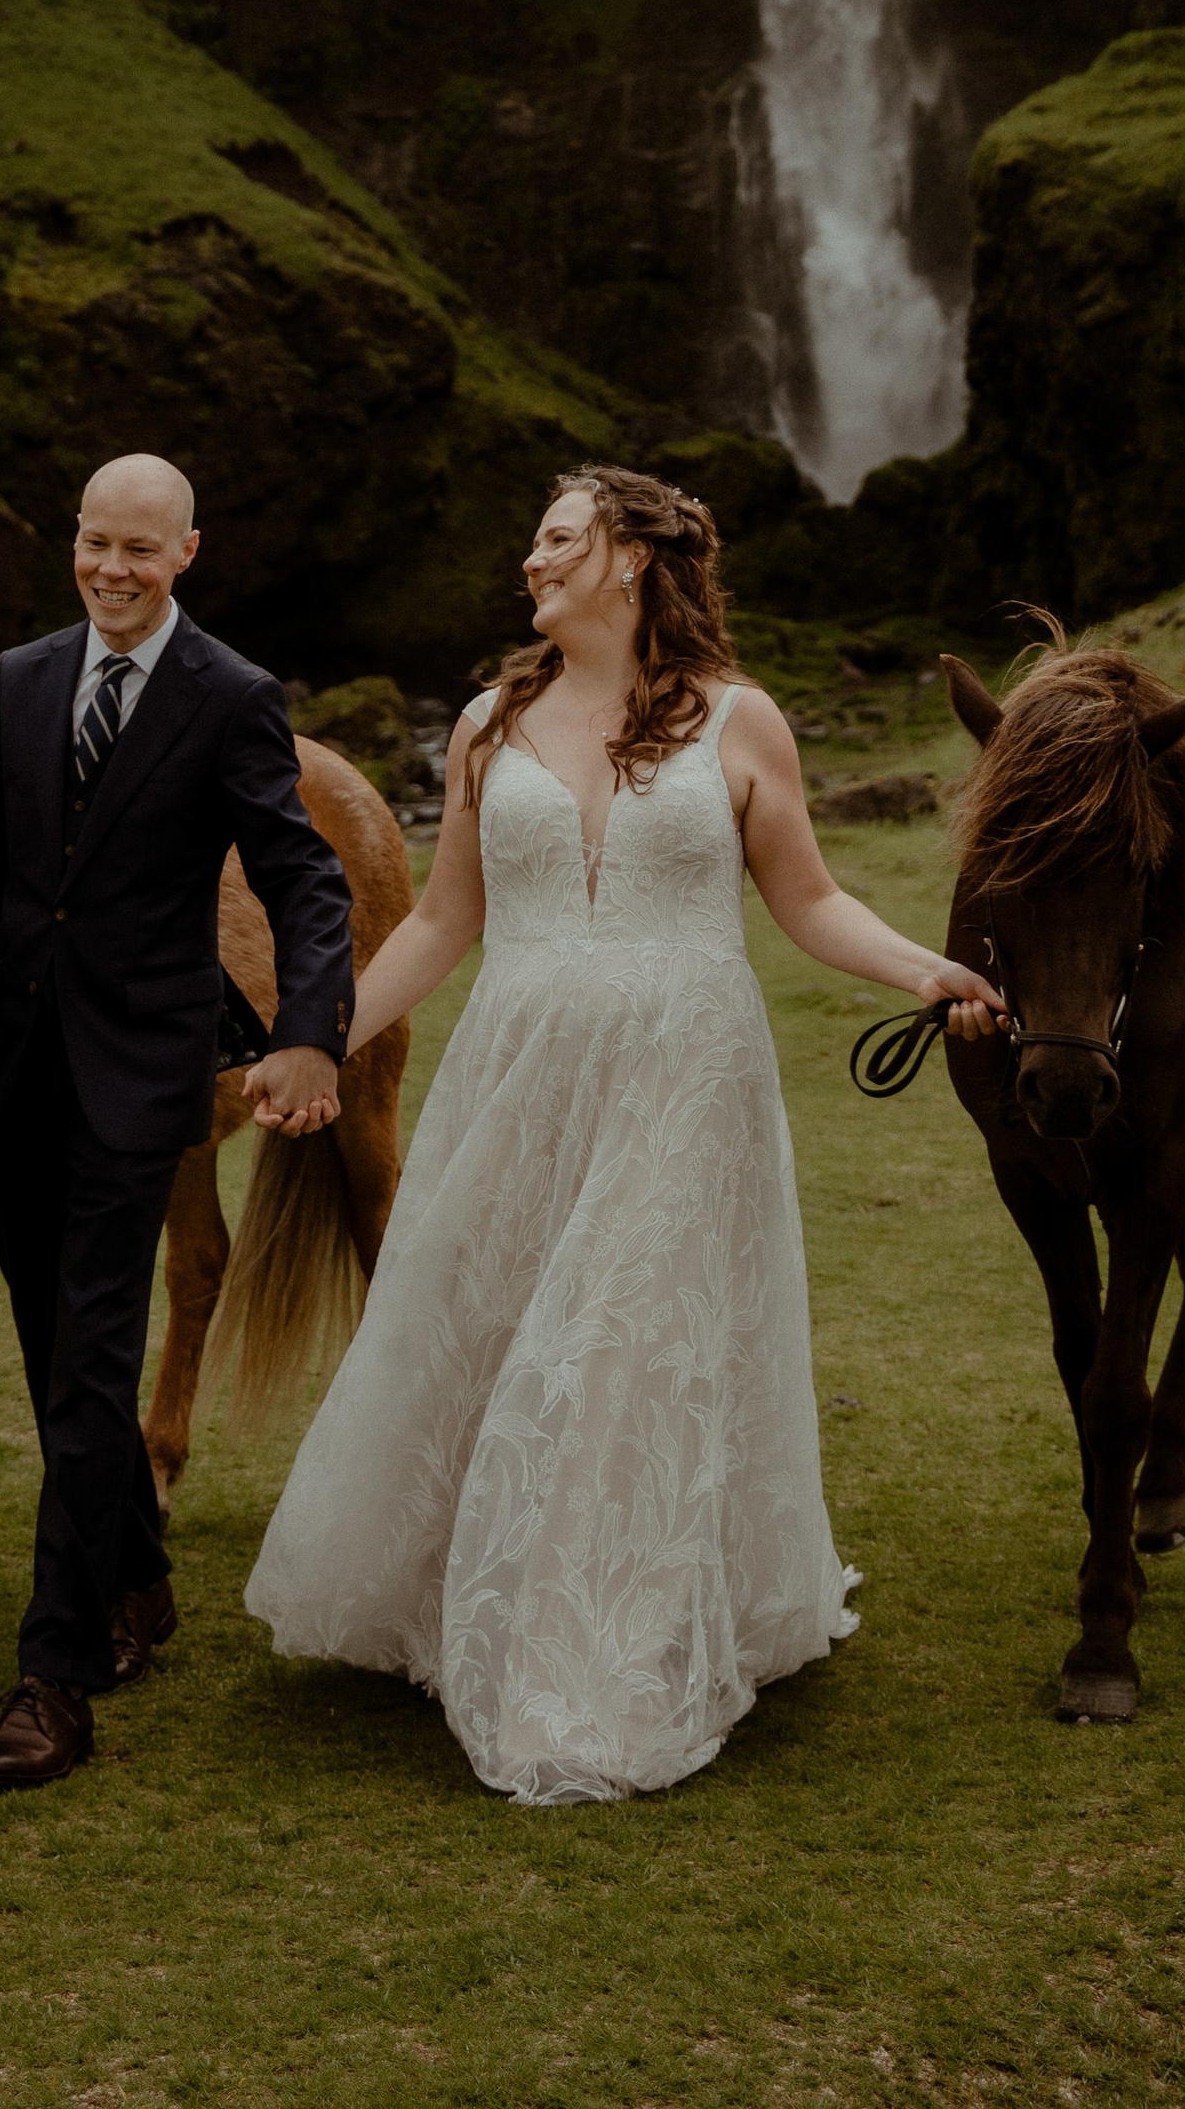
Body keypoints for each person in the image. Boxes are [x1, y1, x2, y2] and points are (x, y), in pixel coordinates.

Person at [242, 462, 1000, 1803]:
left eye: (555, 539)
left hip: (685, 1080)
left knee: (626, 1349)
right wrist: (320, 1035)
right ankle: (450, 1591)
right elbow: (443, 921)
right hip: (522, 1073)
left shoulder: (742, 722)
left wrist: (926, 970)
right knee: (488, 1321)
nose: (530, 563)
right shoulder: (487, 724)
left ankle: (592, 1646)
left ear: (632, 556)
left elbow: (810, 901)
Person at [0, 453, 354, 1794]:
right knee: (51, 1357)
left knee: (91, 1363)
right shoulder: (22, 680)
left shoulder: (232, 695)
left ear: (187, 552)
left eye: (142, 548)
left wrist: (310, 1025)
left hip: (146, 1078)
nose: (114, 568)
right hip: (17, 1073)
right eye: (97, 542)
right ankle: (137, 1573)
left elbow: (303, 877)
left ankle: (57, 1675)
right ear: (72, 540)